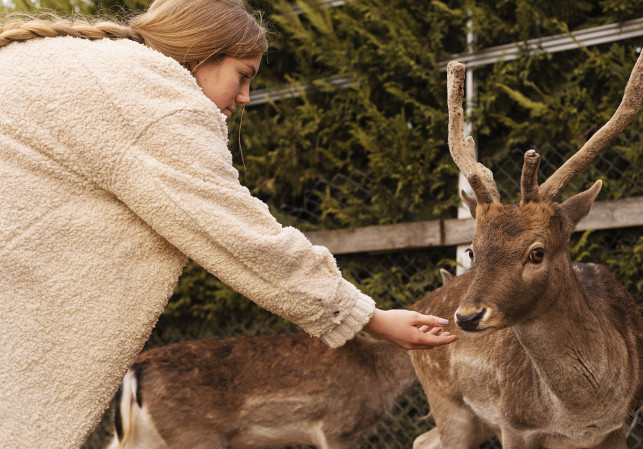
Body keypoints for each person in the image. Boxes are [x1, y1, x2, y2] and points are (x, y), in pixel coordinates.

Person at [0, 1, 457, 447]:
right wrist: (369, 318)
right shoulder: (155, 98)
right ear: (201, 53)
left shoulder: (73, 64)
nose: (245, 98)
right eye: (243, 76)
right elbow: (242, 237)